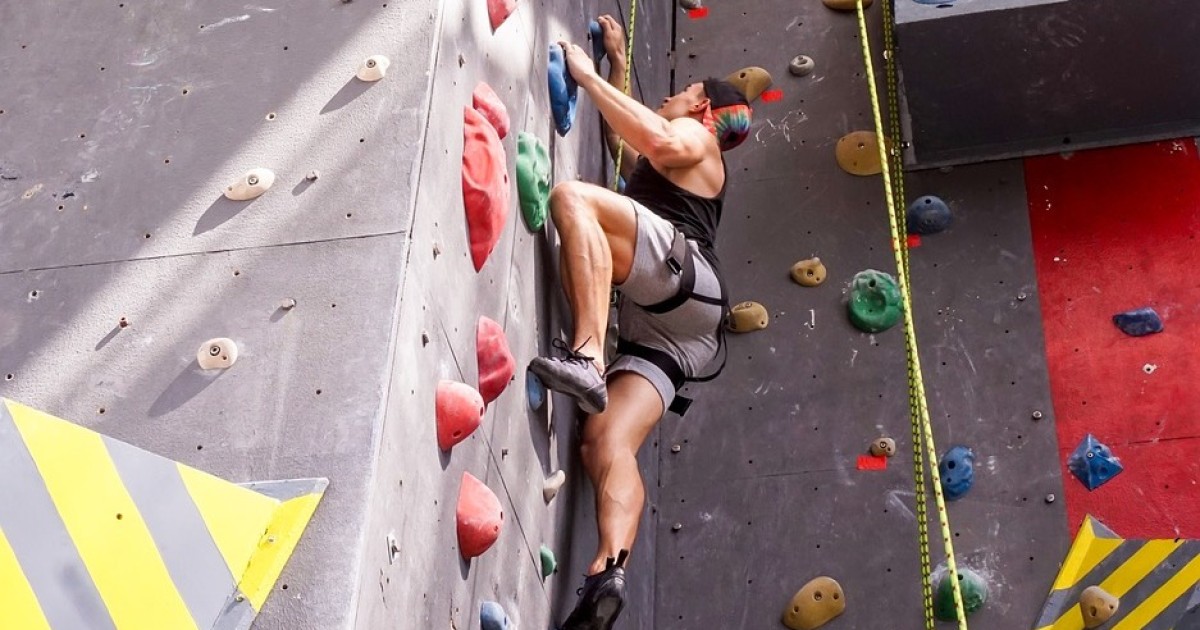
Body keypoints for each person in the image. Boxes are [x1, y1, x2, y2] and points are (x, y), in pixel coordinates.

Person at [527, 15, 752, 630]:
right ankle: (609, 568)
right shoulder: (680, 165)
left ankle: (586, 355)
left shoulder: (697, 139)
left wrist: (583, 75)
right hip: (686, 330)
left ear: (704, 106)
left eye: (680, 94)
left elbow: (658, 139)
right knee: (606, 443)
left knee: (572, 199)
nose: (667, 99)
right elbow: (631, 156)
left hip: (680, 279)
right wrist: (616, 67)